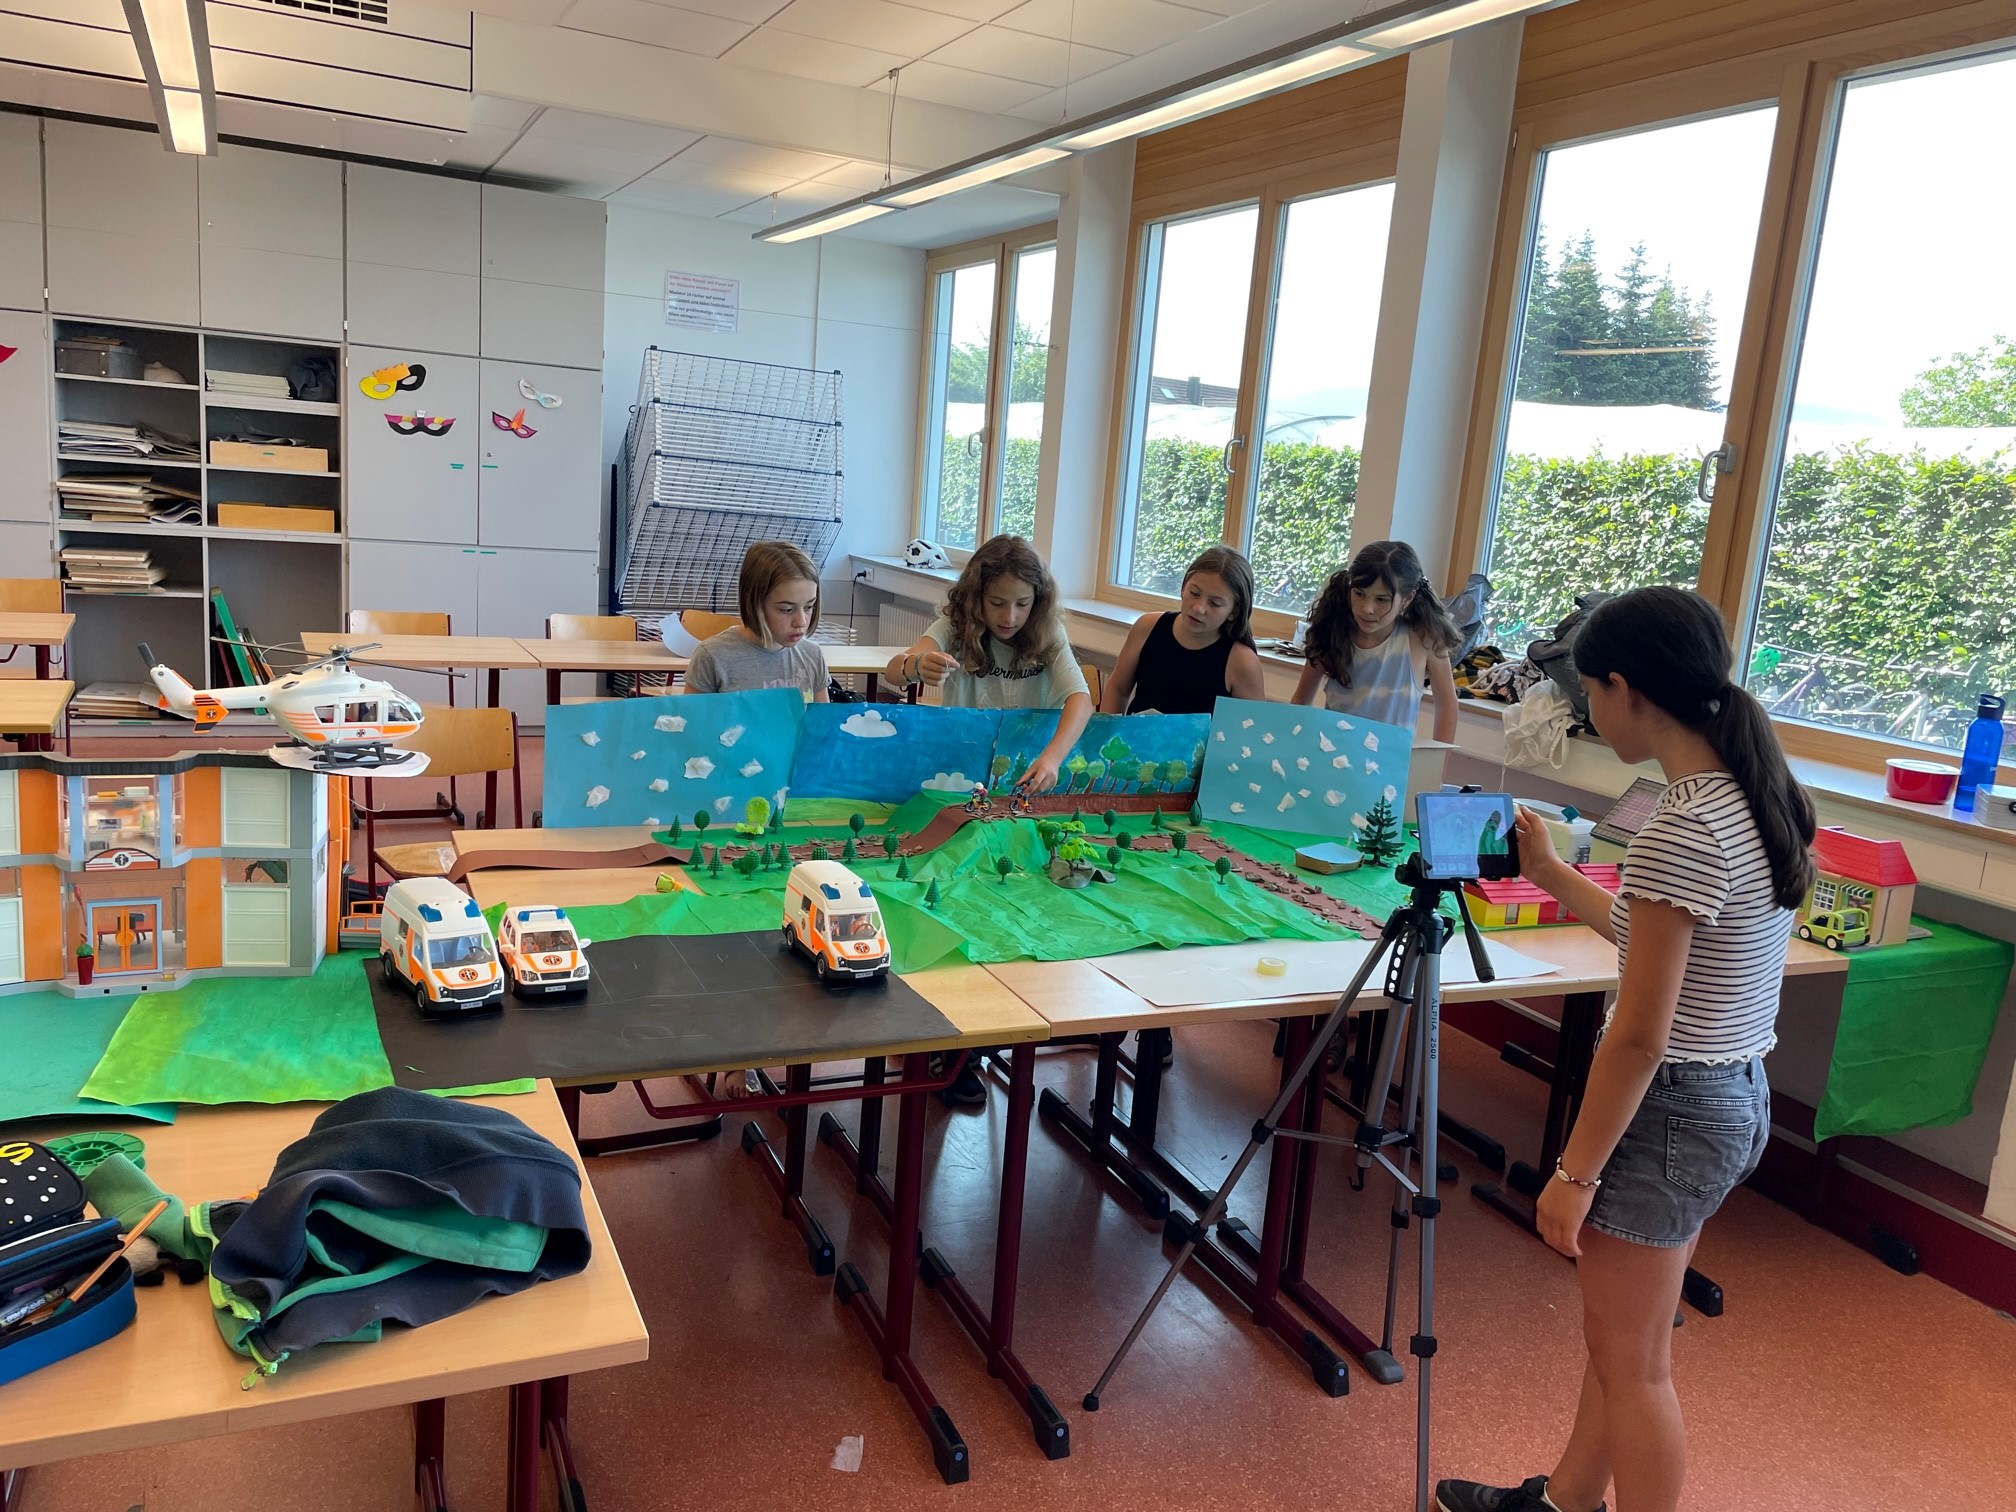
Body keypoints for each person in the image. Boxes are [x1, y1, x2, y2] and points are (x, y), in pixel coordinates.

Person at [1434, 587, 1816, 1512]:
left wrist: (1574, 1173)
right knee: (1622, 1344)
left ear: (1625, 689)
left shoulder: (1682, 827)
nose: (1584, 710)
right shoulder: (1752, 797)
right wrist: (1550, 874)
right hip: (1731, 1095)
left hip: (1675, 1107)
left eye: (1587, 692)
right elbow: (1654, 943)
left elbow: (1641, 1035)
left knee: (1637, 1366)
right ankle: (1565, 1502)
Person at [887, 535, 1092, 1105]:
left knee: (1016, 898)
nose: (1010, 616)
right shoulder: (954, 629)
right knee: (953, 901)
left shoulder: (1047, 636)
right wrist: (917, 663)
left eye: (1023, 604)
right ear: (975, 598)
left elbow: (1080, 699)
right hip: (959, 793)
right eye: (998, 602)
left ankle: (993, 1026)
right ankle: (952, 1044)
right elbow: (895, 669)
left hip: (1016, 793)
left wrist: (1053, 757)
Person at [1291, 540, 1460, 742]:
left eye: (1381, 599)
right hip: (1333, 754)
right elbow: (1301, 700)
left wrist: (1439, 759)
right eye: (1359, 594)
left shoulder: (1424, 638)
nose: (1367, 608)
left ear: (1407, 599)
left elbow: (1447, 703)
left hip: (1392, 758)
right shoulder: (1332, 631)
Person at [1101, 545, 1268, 715]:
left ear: (1234, 612)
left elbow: (1252, 725)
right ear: (1183, 587)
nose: (1198, 608)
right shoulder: (1147, 627)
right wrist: (1105, 730)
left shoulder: (1242, 661)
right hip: (1137, 732)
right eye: (1194, 593)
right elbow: (1118, 689)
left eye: (1215, 603)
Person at [684, 540, 829, 702]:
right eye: (786, 609)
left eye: (809, 606)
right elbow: (691, 717)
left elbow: (823, 718)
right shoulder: (712, 656)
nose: (801, 622)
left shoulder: (812, 655)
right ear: (754, 603)